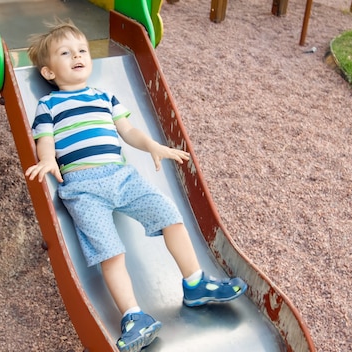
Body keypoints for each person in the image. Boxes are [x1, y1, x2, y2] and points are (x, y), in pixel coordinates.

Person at [25, 19, 248, 352]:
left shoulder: (105, 96)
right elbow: (45, 138)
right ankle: (133, 316)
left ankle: (196, 283)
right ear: (49, 73)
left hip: (122, 176)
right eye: (65, 53)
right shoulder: (49, 105)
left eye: (82, 50)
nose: (77, 56)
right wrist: (47, 160)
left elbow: (128, 132)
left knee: (171, 215)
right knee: (110, 253)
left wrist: (153, 146)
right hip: (83, 189)